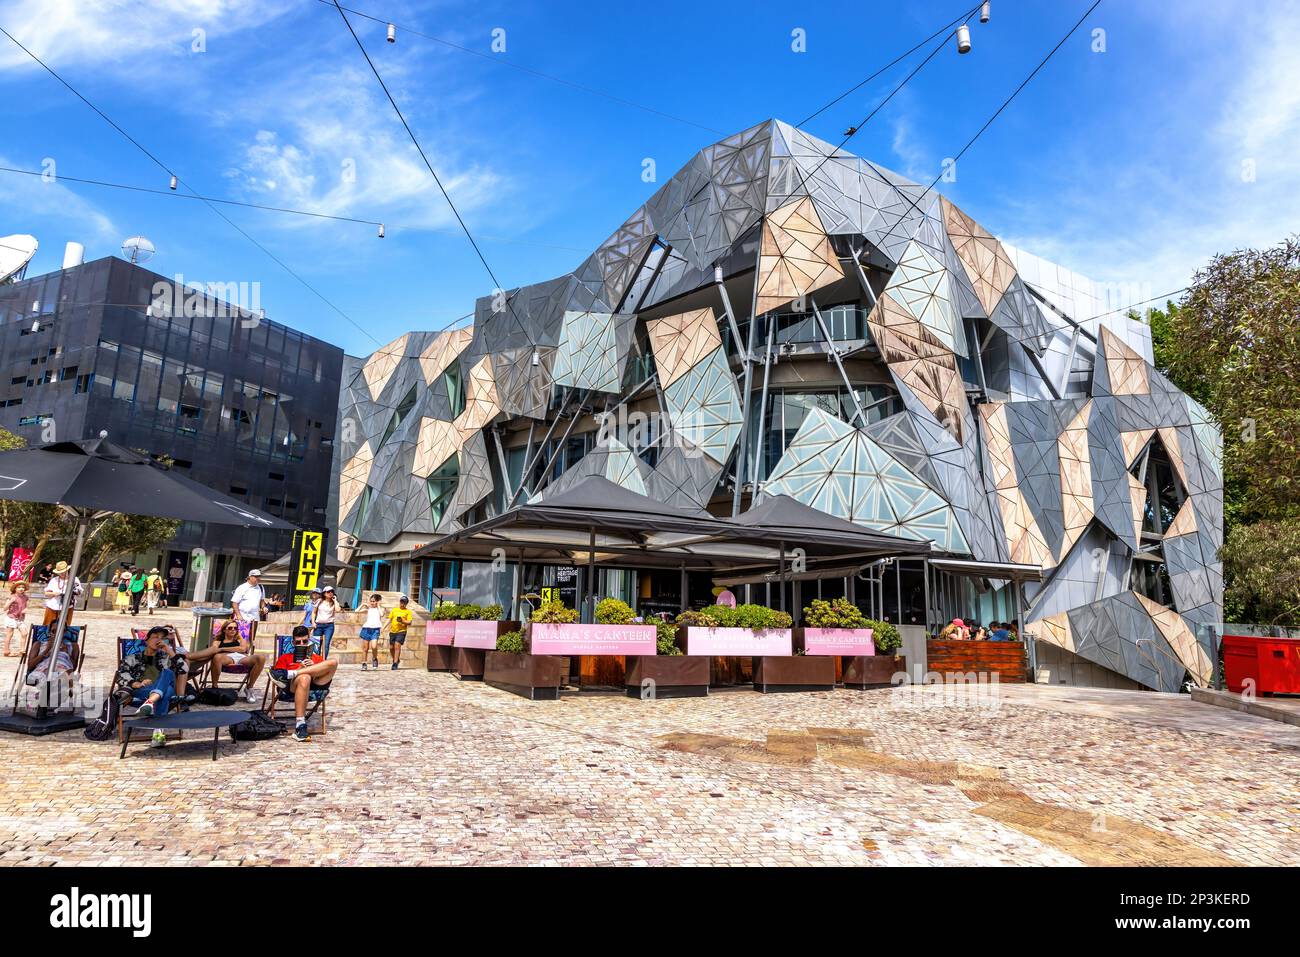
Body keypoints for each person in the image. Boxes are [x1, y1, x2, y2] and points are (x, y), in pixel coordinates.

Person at [115, 626, 184, 746]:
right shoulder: (133, 658)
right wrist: (135, 683)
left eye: (162, 638)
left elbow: (184, 669)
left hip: (158, 692)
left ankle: (151, 701)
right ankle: (158, 734)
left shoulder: (166, 657)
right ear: (146, 640)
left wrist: (169, 649)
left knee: (167, 674)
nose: (158, 640)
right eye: (155, 637)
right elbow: (121, 675)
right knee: (166, 692)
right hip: (142, 690)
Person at [271, 625, 338, 742]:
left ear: (309, 641)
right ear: (293, 643)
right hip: (293, 686)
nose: (302, 644)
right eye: (298, 642)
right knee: (304, 678)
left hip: (316, 682)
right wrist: (300, 668)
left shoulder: (316, 658)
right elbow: (278, 679)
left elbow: (326, 670)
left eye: (305, 641)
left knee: (333, 662)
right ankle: (300, 725)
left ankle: (292, 673)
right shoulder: (285, 657)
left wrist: (313, 667)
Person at [186, 619, 265, 702]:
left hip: (241, 658)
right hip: (227, 658)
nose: (233, 630)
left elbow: (242, 649)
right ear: (224, 630)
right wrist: (222, 650)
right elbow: (214, 650)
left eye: (235, 628)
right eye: (230, 628)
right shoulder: (218, 641)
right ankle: (215, 687)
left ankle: (249, 688)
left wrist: (222, 648)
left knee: (261, 657)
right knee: (217, 657)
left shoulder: (240, 639)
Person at [42, 561, 83, 629]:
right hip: (53, 606)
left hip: (67, 606)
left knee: (64, 627)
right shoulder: (54, 580)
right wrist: (55, 593)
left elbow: (79, 592)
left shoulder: (74, 579)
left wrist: (72, 590)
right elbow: (47, 593)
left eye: (64, 571)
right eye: (60, 572)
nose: (62, 573)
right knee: (47, 626)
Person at [359, 592, 385, 671]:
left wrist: (379, 605)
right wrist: (362, 605)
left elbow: (381, 614)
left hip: (375, 629)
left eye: (374, 601)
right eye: (371, 601)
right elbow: (356, 611)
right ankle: (364, 663)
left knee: (374, 646)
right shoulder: (368, 609)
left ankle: (374, 658)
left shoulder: (380, 609)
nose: (372, 603)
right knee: (365, 648)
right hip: (366, 629)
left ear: (377, 601)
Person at [3, 580, 29, 657]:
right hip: (11, 618)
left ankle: (22, 650)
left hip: (20, 618)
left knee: (25, 633)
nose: (21, 589)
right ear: (15, 589)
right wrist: (10, 602)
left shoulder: (25, 597)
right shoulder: (12, 597)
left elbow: (25, 606)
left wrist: (25, 610)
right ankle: (6, 651)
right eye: (19, 587)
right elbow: (4, 608)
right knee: (10, 634)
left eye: (23, 587)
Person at [387, 595, 412, 671]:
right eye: (401, 601)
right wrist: (383, 627)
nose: (402, 603)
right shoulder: (394, 610)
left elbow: (409, 622)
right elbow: (389, 619)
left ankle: (395, 663)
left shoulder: (408, 612)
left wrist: (402, 621)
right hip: (393, 631)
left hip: (402, 631)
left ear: (406, 603)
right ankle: (397, 659)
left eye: (404, 602)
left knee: (397, 645)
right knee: (391, 647)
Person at [312, 585, 338, 653]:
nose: (330, 593)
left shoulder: (334, 603)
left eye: (332, 591)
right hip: (318, 625)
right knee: (316, 644)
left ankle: (324, 661)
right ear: (324, 593)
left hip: (329, 626)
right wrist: (313, 622)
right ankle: (316, 660)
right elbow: (314, 612)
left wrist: (335, 600)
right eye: (328, 591)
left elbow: (338, 610)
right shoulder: (319, 601)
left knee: (326, 645)